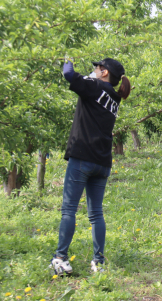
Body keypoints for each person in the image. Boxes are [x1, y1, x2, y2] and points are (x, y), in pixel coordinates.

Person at [51, 58, 131, 276]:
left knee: (69, 210)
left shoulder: (94, 86)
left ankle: (60, 259)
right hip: (102, 162)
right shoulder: (115, 98)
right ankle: (99, 262)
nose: (93, 70)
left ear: (104, 72)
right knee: (96, 214)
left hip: (82, 158)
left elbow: (68, 74)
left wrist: (68, 60)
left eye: (96, 67)